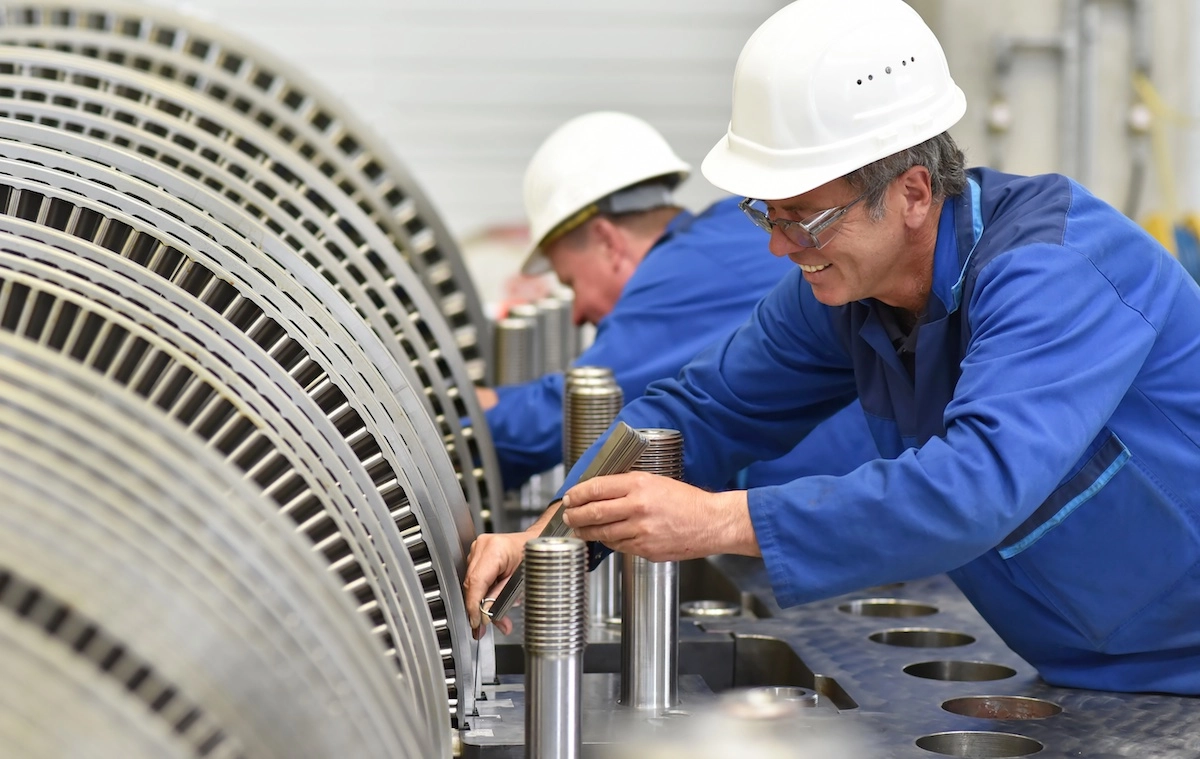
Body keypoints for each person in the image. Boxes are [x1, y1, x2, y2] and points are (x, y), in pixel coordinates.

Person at [466, 0, 1200, 696]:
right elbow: (706, 409)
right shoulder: (851, 292)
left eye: (807, 218)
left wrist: (719, 519)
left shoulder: (1055, 268)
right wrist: (550, 536)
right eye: (768, 215)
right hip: (1092, 674)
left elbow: (976, 483)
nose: (784, 247)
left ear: (913, 192)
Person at [479, 111, 876, 492]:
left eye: (572, 281)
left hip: (848, 534)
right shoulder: (723, 231)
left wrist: (459, 419)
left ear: (607, 242)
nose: (577, 313)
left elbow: (563, 414)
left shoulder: (685, 270)